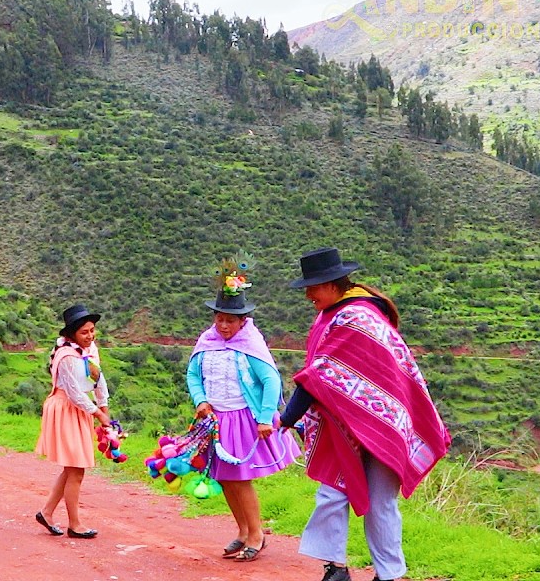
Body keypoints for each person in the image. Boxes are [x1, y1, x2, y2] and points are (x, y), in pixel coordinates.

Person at [279, 248, 451, 581]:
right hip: (341, 424)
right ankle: (336, 568)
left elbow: (319, 374)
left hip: (383, 425)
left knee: (380, 503)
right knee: (332, 490)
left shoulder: (357, 317)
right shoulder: (332, 315)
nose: (308, 295)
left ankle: (389, 574)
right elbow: (321, 373)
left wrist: (287, 418)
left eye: (312, 287)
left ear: (331, 284)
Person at [186, 262, 296, 562]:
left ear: (242, 321)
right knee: (225, 478)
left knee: (239, 477)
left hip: (243, 419)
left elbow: (271, 380)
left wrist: (264, 417)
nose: (224, 326)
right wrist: (201, 400)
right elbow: (193, 375)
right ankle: (243, 531)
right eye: (220, 319)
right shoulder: (206, 342)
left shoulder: (251, 345)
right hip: (215, 420)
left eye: (230, 321)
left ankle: (257, 535)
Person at [34, 304, 111, 539]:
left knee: (72, 468)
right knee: (76, 469)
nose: (90, 336)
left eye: (92, 330)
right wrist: (97, 413)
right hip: (66, 408)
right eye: (85, 332)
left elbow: (98, 379)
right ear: (72, 334)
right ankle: (75, 524)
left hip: (79, 409)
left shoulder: (89, 350)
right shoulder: (66, 356)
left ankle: (46, 512)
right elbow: (74, 392)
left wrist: (104, 406)